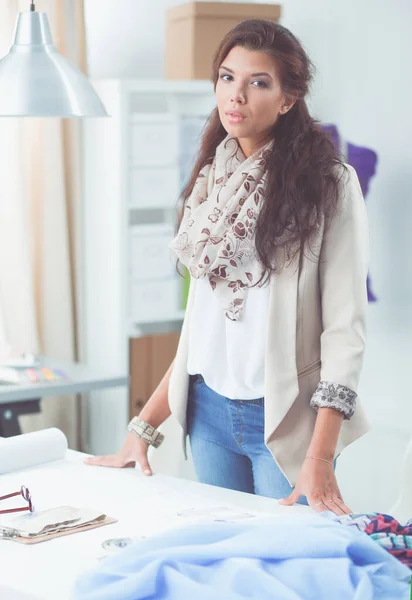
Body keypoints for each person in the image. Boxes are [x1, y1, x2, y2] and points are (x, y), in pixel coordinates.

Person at [86, 20, 370, 515]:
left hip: (285, 421)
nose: (235, 95)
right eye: (226, 77)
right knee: (225, 568)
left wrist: (320, 456)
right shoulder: (212, 176)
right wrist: (143, 429)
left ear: (287, 99)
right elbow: (203, 328)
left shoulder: (328, 184)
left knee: (284, 578)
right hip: (207, 415)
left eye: (258, 82)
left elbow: (344, 333)